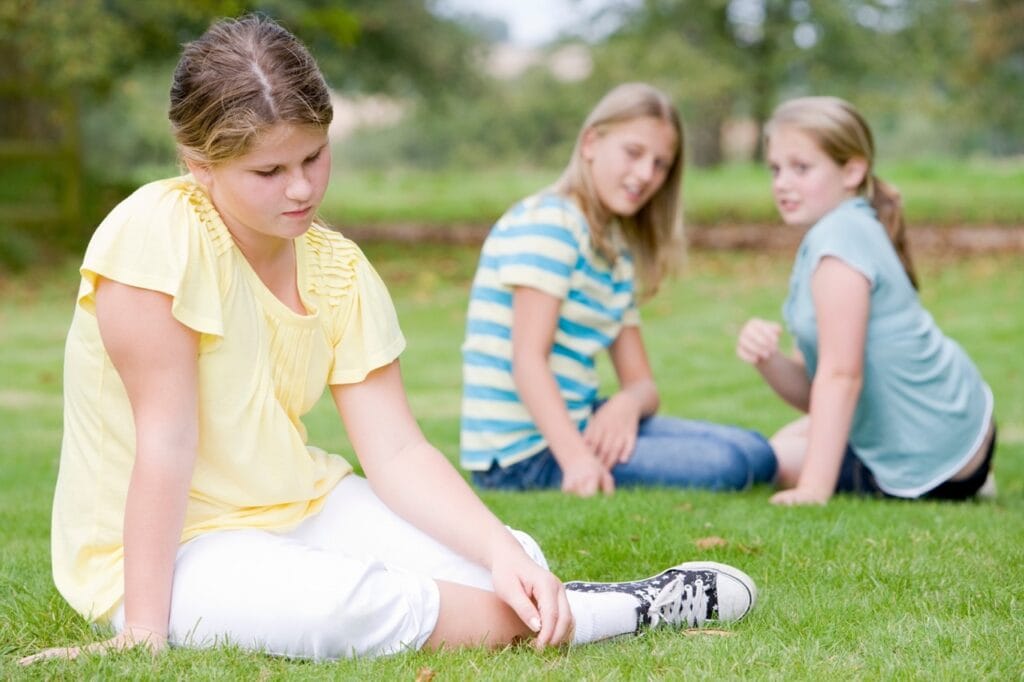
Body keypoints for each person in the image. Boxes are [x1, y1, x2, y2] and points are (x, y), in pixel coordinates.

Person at [18, 16, 759, 666]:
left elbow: (398, 451)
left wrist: (497, 549)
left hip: (302, 506)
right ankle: (621, 609)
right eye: (268, 172)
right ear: (198, 164)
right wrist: (144, 629)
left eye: (314, 157)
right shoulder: (156, 235)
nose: (302, 189)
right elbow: (166, 438)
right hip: (168, 551)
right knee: (338, 611)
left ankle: (530, 597)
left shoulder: (338, 266)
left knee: (514, 559)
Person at [459, 83, 777, 498]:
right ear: (591, 142)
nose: (646, 175)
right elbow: (527, 361)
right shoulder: (550, 224)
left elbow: (643, 385)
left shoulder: (612, 249)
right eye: (634, 152)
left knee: (756, 451)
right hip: (524, 456)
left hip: (579, 420)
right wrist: (577, 461)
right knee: (730, 465)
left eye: (661, 164)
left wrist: (624, 405)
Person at [736, 96, 996, 506]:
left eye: (801, 168)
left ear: (852, 170)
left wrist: (812, 488)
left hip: (935, 453)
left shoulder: (839, 239)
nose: (782, 182)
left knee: (777, 460)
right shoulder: (844, 228)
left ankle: (957, 477)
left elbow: (841, 377)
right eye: (775, 169)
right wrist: (767, 358)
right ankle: (971, 473)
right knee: (785, 439)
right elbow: (816, 385)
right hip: (963, 425)